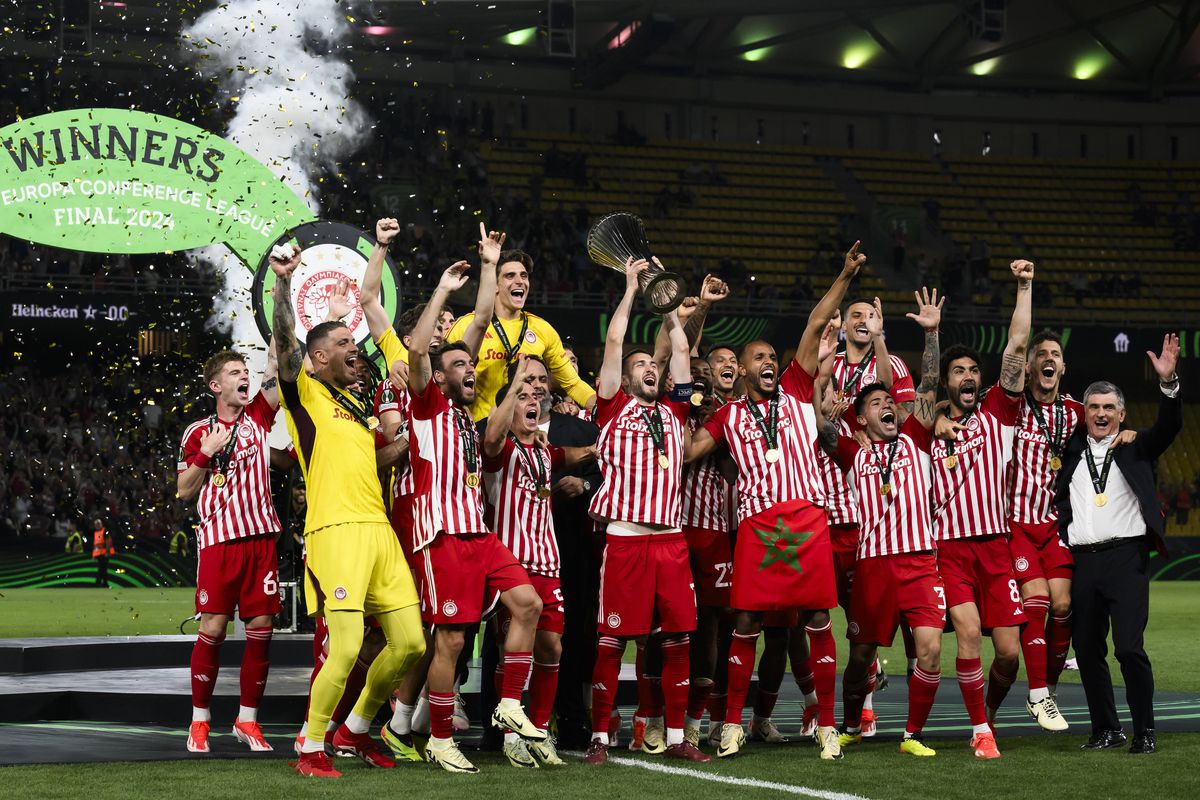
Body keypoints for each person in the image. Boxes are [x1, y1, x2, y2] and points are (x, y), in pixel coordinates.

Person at [686, 241, 868, 761]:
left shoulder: (794, 387)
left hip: (807, 518)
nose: (769, 362)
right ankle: (730, 726)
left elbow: (815, 324)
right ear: (741, 371)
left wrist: (844, 275)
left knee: (816, 618)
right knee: (744, 622)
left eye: (771, 356)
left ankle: (828, 725)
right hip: (757, 525)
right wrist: (682, 403)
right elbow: (684, 454)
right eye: (758, 358)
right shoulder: (727, 418)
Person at [273, 237, 425, 779]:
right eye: (342, 341)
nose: (352, 347)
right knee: (347, 646)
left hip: (379, 531)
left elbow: (374, 460)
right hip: (335, 531)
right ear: (317, 358)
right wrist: (285, 283)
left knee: (410, 642)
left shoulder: (355, 408)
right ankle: (311, 746)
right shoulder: (305, 397)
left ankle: (355, 730)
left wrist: (409, 444)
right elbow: (285, 343)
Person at [406, 230, 547, 775]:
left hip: (480, 533)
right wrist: (444, 289)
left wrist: (490, 266)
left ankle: (509, 702)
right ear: (441, 376)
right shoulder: (425, 406)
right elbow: (422, 348)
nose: (470, 370)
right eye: (460, 366)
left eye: (472, 366)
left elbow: (483, 324)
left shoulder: (467, 421)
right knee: (452, 639)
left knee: (527, 605)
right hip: (441, 537)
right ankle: (440, 736)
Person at [583, 258, 709, 766]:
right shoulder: (612, 406)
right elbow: (615, 343)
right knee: (614, 638)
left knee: (679, 637)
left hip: (672, 539)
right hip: (628, 537)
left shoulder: (675, 409)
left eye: (650, 366)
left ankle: (677, 735)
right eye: (641, 366)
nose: (649, 368)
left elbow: (680, 349)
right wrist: (632, 288)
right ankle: (599, 738)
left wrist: (670, 308)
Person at [826, 287, 945, 757]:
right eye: (875, 404)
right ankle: (853, 721)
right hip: (873, 565)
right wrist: (822, 373)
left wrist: (930, 333)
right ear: (860, 419)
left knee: (931, 649)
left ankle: (912, 735)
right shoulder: (853, 452)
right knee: (860, 657)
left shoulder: (916, 437)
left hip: (919, 563)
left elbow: (929, 387)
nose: (887, 406)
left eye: (889, 401)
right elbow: (819, 422)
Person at [928, 259, 1034, 759]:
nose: (968, 377)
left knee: (1009, 655)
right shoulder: (926, 426)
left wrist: (1024, 287)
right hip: (949, 548)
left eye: (973, 370)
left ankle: (986, 712)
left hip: (996, 546)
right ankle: (980, 730)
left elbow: (1015, 349)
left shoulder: (998, 413)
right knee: (968, 631)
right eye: (959, 371)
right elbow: (919, 396)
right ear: (947, 382)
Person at [1056, 334, 1181, 755]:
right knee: (1088, 652)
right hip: (1082, 563)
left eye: (1110, 407)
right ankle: (1107, 729)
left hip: (1126, 558)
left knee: (1129, 648)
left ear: (1122, 414)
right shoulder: (1069, 451)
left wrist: (1168, 385)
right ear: (1084, 414)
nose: (1102, 413)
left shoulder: (1137, 446)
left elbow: (1170, 426)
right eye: (1095, 407)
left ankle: (1145, 730)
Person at [482, 357, 594, 767]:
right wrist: (512, 386)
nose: (533, 397)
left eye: (537, 394)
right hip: (510, 563)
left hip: (548, 562)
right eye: (522, 395)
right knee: (512, 647)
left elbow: (584, 452)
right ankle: (510, 734)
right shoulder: (497, 449)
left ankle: (539, 731)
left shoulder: (545, 452)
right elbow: (492, 439)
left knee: (552, 647)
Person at [177, 346, 283, 755]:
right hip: (219, 543)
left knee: (262, 632)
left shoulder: (259, 414)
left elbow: (278, 362)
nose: (245, 377)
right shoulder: (197, 432)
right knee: (213, 630)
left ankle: (248, 720)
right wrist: (207, 453)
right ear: (215, 385)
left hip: (261, 541)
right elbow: (184, 491)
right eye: (235, 372)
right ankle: (200, 721)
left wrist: (280, 297)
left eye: (246, 371)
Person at [1008, 330, 1084, 731]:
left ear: (1062, 367)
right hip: (1015, 523)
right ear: (1031, 364)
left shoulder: (1074, 412)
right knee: (1035, 600)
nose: (1049, 359)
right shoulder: (1012, 406)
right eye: (1042, 354)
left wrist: (1126, 434)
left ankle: (1049, 691)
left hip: (1053, 525)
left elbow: (1108, 420)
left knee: (1062, 606)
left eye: (1056, 354)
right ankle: (1036, 694)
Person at [446, 248, 595, 421]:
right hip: (480, 431)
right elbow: (441, 377)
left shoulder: (542, 329)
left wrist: (606, 409)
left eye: (524, 276)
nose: (520, 281)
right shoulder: (465, 326)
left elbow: (574, 384)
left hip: (526, 434)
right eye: (510, 276)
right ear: (494, 285)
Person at [90, 518, 114, 587]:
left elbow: (107, 541)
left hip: (104, 553)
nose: (97, 525)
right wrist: (94, 555)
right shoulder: (96, 532)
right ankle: (104, 583)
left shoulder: (105, 531)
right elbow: (96, 544)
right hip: (99, 553)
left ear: (101, 524)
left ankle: (99, 582)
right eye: (96, 524)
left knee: (102, 568)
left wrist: (107, 551)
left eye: (98, 524)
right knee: (102, 569)